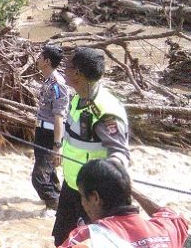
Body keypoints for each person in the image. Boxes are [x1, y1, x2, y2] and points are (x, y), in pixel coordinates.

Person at [52, 47, 130, 246]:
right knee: (62, 239)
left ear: (77, 73)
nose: (63, 71)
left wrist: (107, 173)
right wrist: (58, 146)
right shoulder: (78, 98)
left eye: (67, 67)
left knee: (91, 243)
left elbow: (120, 154)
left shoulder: (105, 110)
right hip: (71, 187)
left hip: (93, 196)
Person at [59, 159, 189, 247]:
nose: (82, 203)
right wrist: (128, 188)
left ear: (95, 198)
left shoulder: (86, 237)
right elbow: (169, 214)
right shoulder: (166, 231)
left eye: (82, 195)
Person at [32, 45, 70, 216]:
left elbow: (59, 116)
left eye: (40, 56)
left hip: (49, 135)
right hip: (41, 132)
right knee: (50, 172)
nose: (37, 59)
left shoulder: (57, 85)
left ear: (47, 61)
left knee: (38, 178)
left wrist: (57, 145)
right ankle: (60, 201)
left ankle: (54, 206)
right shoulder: (48, 81)